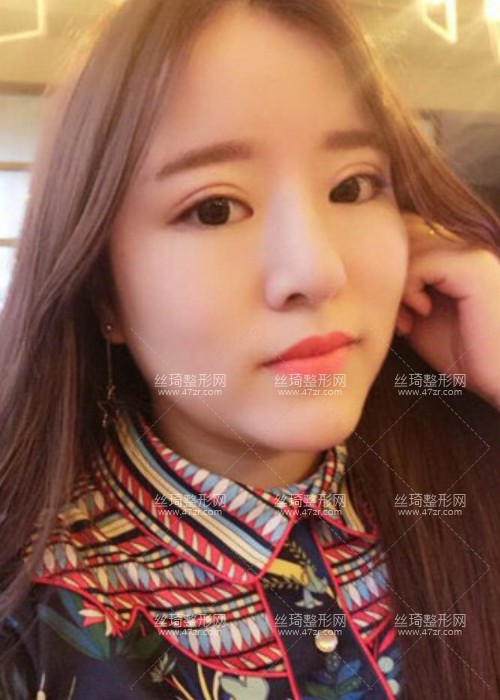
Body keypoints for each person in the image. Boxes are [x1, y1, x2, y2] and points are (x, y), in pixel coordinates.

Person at [0, 0, 499, 698]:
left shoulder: (465, 486)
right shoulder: (31, 613)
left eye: (352, 186)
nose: (316, 271)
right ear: (103, 291)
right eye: (214, 209)